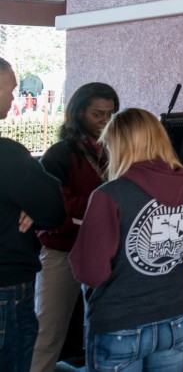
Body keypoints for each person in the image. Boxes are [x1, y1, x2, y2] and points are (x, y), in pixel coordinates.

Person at [70, 108, 183, 372]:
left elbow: (90, 272)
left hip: (120, 323)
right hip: (174, 319)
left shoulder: (109, 195)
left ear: (119, 145)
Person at [32, 82, 119, 372]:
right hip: (62, 250)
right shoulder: (60, 154)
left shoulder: (115, 150)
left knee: (101, 326)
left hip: (101, 250)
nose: (105, 121)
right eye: (97, 114)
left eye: (110, 114)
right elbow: (54, 205)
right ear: (79, 113)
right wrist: (104, 206)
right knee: (48, 329)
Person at [0, 57, 66, 372]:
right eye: (9, 91)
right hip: (7, 288)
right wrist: (30, 202)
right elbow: (53, 209)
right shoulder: (8, 155)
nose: (13, 100)